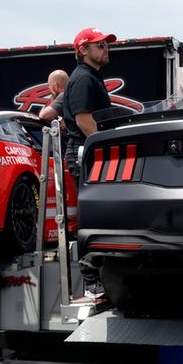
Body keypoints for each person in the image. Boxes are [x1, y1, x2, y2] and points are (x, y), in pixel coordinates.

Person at [63, 27, 116, 299]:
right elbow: (84, 121)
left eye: (107, 45)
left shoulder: (92, 77)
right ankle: (92, 283)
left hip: (88, 151)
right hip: (85, 153)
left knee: (101, 214)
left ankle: (100, 280)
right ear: (83, 50)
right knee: (93, 216)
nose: (106, 49)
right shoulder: (83, 78)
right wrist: (108, 149)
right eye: (100, 45)